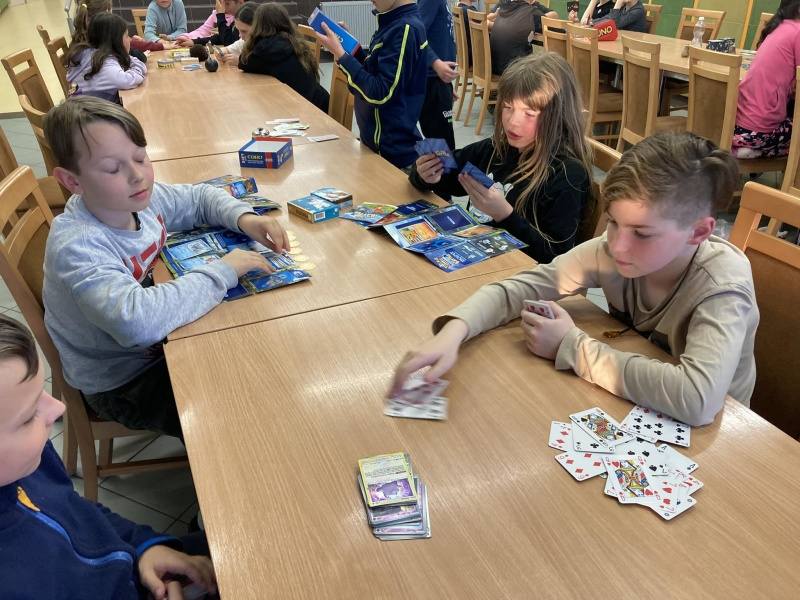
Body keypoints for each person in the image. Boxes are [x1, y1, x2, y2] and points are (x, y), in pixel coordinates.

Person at [392, 132, 758, 428]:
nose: (618, 245)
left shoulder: (722, 286)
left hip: (722, 439)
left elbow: (697, 400)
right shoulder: (613, 250)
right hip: (640, 402)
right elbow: (520, 288)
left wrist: (571, 346)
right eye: (613, 223)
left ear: (698, 232)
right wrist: (454, 331)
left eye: (642, 234)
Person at [42, 96, 289, 439]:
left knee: (261, 359)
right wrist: (222, 271)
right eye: (113, 169)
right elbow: (136, 322)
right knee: (238, 418)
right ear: (73, 182)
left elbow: (199, 198)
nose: (137, 176)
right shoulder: (78, 245)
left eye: (140, 157)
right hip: (122, 382)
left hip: (160, 344)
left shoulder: (137, 198)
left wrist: (244, 218)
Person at [0, 314, 217, 599]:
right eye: (29, 416)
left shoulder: (30, 465)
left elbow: (78, 511)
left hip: (135, 566)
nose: (58, 408)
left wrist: (147, 546)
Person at [409, 53, 591, 263]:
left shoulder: (567, 174)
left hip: (517, 275)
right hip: (473, 261)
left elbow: (555, 257)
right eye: (507, 107)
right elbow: (450, 176)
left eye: (529, 114)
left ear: (557, 116)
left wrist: (505, 215)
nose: (513, 122)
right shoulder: (496, 148)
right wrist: (426, 175)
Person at [316, 0, 428, 170]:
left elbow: (381, 93)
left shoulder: (405, 29)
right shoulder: (392, 22)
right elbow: (372, 70)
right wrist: (347, 49)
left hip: (392, 155)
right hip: (376, 146)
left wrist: (341, 55)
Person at [733, 0, 800, 159]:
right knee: (795, 135)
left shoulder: (779, 27)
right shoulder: (798, 31)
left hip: (737, 125)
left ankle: (745, 148)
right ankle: (760, 151)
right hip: (759, 131)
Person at [238, 3, 330, 112]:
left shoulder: (265, 49)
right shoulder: (291, 40)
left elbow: (243, 62)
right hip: (319, 101)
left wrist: (252, 41)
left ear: (258, 26)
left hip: (311, 112)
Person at [65, 12, 147, 103]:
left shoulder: (87, 53)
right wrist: (131, 59)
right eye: (127, 36)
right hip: (93, 111)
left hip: (81, 107)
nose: (130, 40)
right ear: (116, 40)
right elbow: (132, 79)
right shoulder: (105, 67)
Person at [418, 0, 459, 151]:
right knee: (441, 143)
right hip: (431, 81)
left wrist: (445, 85)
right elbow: (416, 35)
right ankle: (444, 167)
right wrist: (435, 63)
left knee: (442, 138)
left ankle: (444, 165)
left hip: (439, 80)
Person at [488, 0, 557, 75]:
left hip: (494, 69)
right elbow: (553, 28)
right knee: (543, 65)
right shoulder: (532, 13)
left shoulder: (502, 9)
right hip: (516, 73)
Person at [175, 0, 244, 47]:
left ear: (241, 2)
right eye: (220, 3)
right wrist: (192, 41)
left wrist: (220, 15)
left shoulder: (244, 17)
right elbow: (206, 31)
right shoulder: (233, 16)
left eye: (227, 4)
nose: (224, 7)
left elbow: (228, 41)